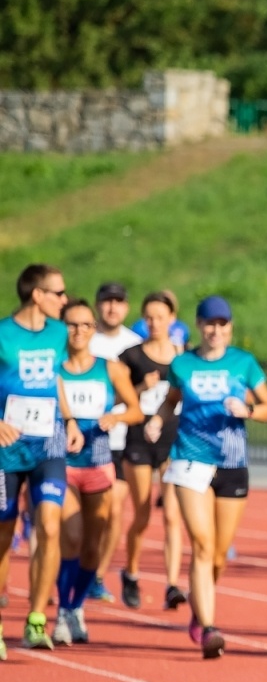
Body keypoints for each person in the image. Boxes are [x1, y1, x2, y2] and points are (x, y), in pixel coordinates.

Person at [150, 296, 267, 658]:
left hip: (232, 462)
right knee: (202, 545)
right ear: (199, 325)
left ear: (230, 328)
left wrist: (248, 409)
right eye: (209, 323)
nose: (215, 330)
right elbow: (170, 400)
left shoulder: (244, 363)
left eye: (222, 324)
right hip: (190, 459)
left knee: (218, 555)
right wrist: (158, 418)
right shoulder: (183, 364)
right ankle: (209, 626)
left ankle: (198, 605)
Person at [1, 264, 85, 656]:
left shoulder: (56, 334)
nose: (64, 300)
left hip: (48, 447)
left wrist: (69, 419)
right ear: (37, 295)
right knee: (3, 537)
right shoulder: (3, 335)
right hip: (7, 451)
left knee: (49, 526)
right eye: (58, 293)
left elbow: (55, 379)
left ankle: (37, 619)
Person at [55, 298, 143, 644]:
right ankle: (62, 610)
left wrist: (116, 417)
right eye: (72, 325)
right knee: (72, 537)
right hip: (60, 464)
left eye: (85, 325)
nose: (78, 332)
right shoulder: (53, 368)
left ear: (94, 330)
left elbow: (136, 410)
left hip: (98, 464)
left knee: (93, 545)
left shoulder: (110, 368)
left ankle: (76, 607)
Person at [118, 291, 186, 612]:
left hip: (173, 441)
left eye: (160, 317)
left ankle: (172, 584)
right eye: (149, 317)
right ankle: (131, 571)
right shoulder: (131, 357)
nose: (154, 323)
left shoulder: (183, 358)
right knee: (143, 513)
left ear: (172, 319)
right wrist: (142, 387)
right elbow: (116, 399)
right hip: (138, 439)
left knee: (173, 514)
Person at [86, 282, 143, 604]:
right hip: (83, 440)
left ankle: (97, 575)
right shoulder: (83, 339)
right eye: (106, 301)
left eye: (118, 302)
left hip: (121, 441)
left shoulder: (134, 345)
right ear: (97, 305)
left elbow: (147, 395)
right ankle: (74, 566)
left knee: (114, 511)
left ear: (126, 307)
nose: (112, 307)